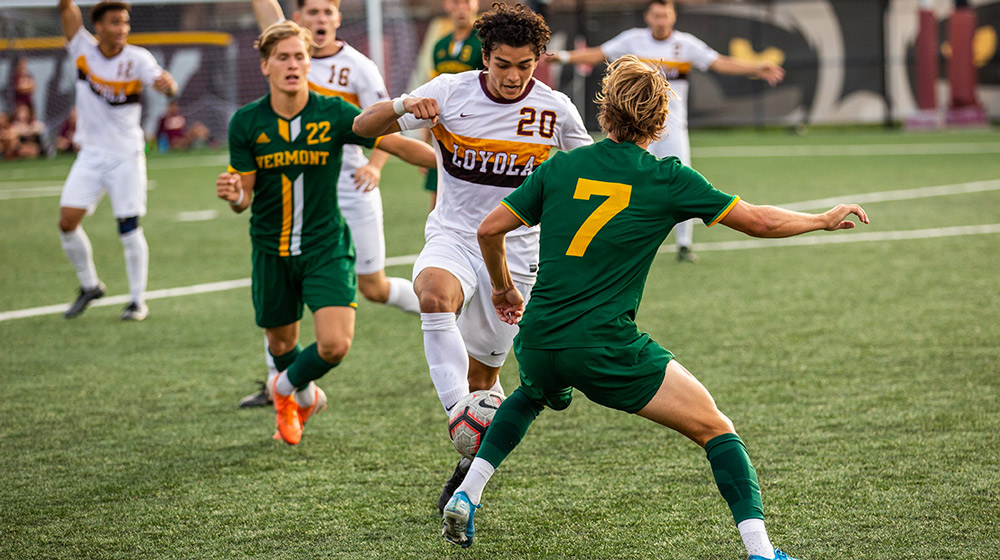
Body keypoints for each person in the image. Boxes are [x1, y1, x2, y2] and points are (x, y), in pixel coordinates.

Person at [439, 55, 868, 560]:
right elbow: (760, 222)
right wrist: (821, 219)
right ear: (660, 121)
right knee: (717, 429)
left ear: (605, 113)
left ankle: (468, 494)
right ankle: (762, 552)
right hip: (604, 346)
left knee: (533, 395)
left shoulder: (561, 166)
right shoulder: (667, 177)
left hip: (536, 339)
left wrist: (503, 288)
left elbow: (489, 230)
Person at [353, 1, 592, 512]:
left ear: (539, 60)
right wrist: (402, 106)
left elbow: (588, 173)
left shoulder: (555, 109)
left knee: (486, 379)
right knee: (434, 295)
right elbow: (362, 126)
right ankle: (457, 410)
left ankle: (467, 462)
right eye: (503, 64)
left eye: (525, 65)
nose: (513, 76)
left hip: (517, 256)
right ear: (485, 57)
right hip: (454, 236)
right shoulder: (447, 89)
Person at [217, 20, 435, 445]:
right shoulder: (245, 122)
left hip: (325, 246)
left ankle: (281, 391)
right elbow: (243, 197)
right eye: (283, 57)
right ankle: (305, 395)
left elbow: (392, 142)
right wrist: (232, 195)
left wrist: (449, 164)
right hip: (270, 250)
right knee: (282, 346)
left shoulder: (333, 112)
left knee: (334, 345)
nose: (294, 64)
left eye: (300, 56)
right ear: (265, 66)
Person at [550, 0, 785, 263]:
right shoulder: (633, 40)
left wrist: (757, 67)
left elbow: (720, 62)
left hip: (671, 128)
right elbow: (597, 54)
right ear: (648, 16)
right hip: (635, 126)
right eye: (657, 15)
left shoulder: (685, 44)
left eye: (666, 15)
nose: (661, 20)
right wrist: (562, 56)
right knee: (623, 176)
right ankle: (610, 234)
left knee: (681, 178)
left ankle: (684, 245)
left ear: (673, 17)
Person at [58, 0, 178, 321]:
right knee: (67, 223)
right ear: (98, 26)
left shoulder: (137, 58)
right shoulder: (82, 49)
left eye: (125, 22)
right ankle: (90, 285)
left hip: (126, 155)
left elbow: (164, 84)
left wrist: (168, 86)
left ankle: (137, 301)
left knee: (128, 227)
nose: (122, 29)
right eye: (114, 22)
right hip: (91, 154)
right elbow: (66, 7)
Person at [422, 0, 484, 211]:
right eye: (456, 2)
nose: (461, 8)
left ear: (476, 4)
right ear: (447, 5)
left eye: (466, 2)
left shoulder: (485, 43)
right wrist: (425, 143)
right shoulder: (440, 45)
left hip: (475, 131)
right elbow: (431, 96)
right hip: (444, 132)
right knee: (437, 202)